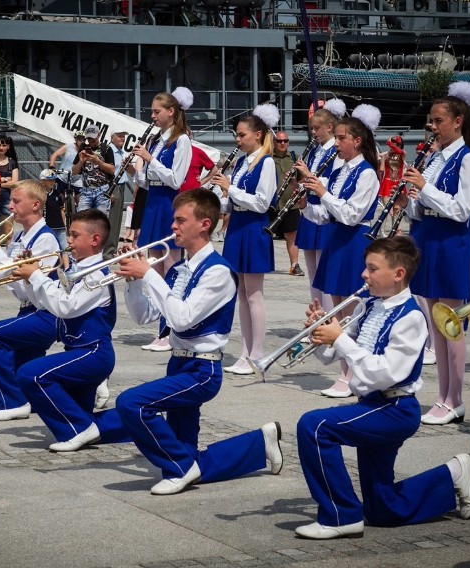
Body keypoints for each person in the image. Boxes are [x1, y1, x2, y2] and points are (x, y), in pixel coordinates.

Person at [91, 189, 283, 495]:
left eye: (181, 220)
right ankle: (259, 445)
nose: (173, 227)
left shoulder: (219, 272)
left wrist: (150, 276)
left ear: (204, 224)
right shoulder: (179, 269)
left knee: (132, 403)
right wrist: (135, 283)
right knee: (186, 454)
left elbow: (182, 319)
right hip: (178, 363)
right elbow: (147, 317)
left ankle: (181, 467)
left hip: (201, 370)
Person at [295, 236, 470, 540]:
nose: (364, 275)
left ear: (398, 274)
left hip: (395, 409)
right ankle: (453, 473)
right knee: (382, 509)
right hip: (371, 405)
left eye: (371, 268)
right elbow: (330, 356)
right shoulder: (368, 307)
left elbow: (387, 373)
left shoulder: (412, 318)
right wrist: (318, 331)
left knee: (315, 427)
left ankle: (341, 515)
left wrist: (339, 338)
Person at [402, 82, 470, 425]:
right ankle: (442, 396)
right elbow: (422, 206)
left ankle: (456, 400)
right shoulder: (435, 158)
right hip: (428, 238)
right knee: (436, 326)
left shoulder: (468, 159)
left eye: (438, 121)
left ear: (457, 121)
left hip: (451, 243)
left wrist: (425, 189)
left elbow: (463, 209)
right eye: (431, 121)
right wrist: (409, 198)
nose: (432, 126)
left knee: (452, 326)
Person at [10, 209, 115, 448]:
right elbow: (43, 304)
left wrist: (37, 276)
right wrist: (29, 278)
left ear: (95, 240)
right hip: (77, 350)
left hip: (92, 353)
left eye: (74, 235)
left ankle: (79, 428)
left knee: (30, 374)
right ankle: (99, 426)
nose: (68, 241)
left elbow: (66, 307)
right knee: (90, 421)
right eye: (69, 234)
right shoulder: (75, 271)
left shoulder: (95, 274)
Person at [299, 105, 381, 397]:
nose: (336, 143)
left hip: (354, 241)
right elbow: (325, 215)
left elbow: (351, 215)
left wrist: (323, 193)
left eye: (341, 137)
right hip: (335, 239)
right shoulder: (340, 170)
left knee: (352, 312)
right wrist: (306, 206)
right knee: (337, 310)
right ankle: (344, 373)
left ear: (357, 141)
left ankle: (352, 375)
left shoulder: (367, 173)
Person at [0, 180, 60, 421]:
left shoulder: (46, 240)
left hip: (44, 314)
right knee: (25, 367)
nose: (10, 205)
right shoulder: (21, 237)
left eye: (16, 201)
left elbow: (29, 288)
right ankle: (28, 400)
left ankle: (12, 402)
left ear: (35, 205)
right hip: (28, 311)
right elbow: (6, 280)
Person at [212, 105, 278, 376]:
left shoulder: (267, 162)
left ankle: (258, 354)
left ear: (258, 134)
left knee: (254, 294)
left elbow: (262, 203)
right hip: (238, 227)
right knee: (240, 293)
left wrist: (231, 189)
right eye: (236, 136)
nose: (237, 141)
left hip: (253, 228)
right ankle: (244, 351)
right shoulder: (241, 162)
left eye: (242, 135)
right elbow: (234, 202)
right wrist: (218, 196)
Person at [129, 88, 194, 352]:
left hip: (168, 204)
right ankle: (160, 331)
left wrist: (150, 159)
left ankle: (170, 331)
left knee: (171, 267)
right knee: (153, 269)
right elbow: (148, 181)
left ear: (171, 112)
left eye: (157, 111)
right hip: (153, 203)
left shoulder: (182, 141)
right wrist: (137, 169)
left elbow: (175, 179)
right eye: (152, 111)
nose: (152, 116)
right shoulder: (157, 139)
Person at [294, 100, 346, 309]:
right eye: (312, 129)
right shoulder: (315, 150)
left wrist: (308, 175)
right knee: (312, 271)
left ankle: (327, 318)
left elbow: (334, 182)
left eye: (317, 128)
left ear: (329, 128)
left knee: (323, 270)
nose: (313, 133)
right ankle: (316, 315)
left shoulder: (336, 151)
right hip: (310, 209)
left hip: (325, 209)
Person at [271, 130, 304, 276]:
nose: (282, 143)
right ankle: (265, 263)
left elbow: (304, 178)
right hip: (270, 204)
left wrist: (295, 183)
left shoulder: (295, 158)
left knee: (292, 236)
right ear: (274, 142)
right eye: (279, 141)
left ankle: (294, 265)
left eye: (285, 141)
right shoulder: (267, 158)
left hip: (290, 204)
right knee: (264, 235)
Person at [72, 125, 115, 215]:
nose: (91, 141)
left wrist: (98, 161)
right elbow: (74, 171)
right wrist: (81, 161)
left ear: (99, 135)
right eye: (88, 138)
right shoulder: (83, 148)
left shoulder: (106, 149)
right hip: (86, 190)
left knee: (101, 220)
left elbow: (112, 170)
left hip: (102, 190)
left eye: (93, 138)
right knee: (82, 219)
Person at [105, 131, 132, 257]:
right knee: (112, 220)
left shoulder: (120, 152)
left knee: (117, 221)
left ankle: (112, 250)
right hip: (113, 187)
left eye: (123, 136)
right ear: (112, 137)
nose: (122, 138)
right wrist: (109, 190)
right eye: (119, 136)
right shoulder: (109, 151)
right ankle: (108, 252)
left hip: (120, 186)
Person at [49, 129, 86, 218]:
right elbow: (54, 155)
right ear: (76, 139)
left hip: (77, 180)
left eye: (83, 139)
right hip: (63, 177)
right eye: (79, 139)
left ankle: (80, 221)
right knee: (60, 200)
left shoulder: (85, 150)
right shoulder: (68, 146)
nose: (81, 141)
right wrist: (52, 168)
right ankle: (61, 221)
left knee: (81, 204)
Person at [0, 133, 20, 220]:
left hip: (6, 200)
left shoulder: (12, 162)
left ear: (8, 147)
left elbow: (14, 183)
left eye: (4, 145)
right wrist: (5, 179)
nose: (1, 148)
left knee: (8, 230)